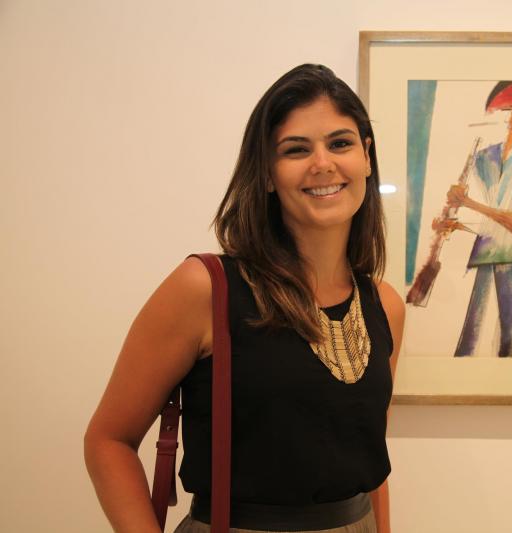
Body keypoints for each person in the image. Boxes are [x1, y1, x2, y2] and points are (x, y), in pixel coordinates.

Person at [84, 64, 405, 533]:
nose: (322, 163)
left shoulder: (384, 305)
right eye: (296, 149)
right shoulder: (205, 288)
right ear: (268, 174)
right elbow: (108, 440)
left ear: (367, 157)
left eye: (340, 143)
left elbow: (370, 455)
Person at [433, 81, 512, 357]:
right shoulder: (487, 156)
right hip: (488, 253)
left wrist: (468, 203)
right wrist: (455, 223)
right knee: (471, 341)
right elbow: (492, 220)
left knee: (506, 342)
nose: (508, 120)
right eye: (506, 112)